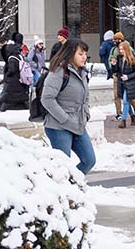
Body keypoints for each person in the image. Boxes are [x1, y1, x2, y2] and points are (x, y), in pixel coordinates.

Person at [41, 39, 95, 175]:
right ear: (71, 54)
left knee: (89, 160)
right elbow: (47, 98)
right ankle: (61, 189)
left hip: (78, 123)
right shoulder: (59, 71)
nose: (84, 57)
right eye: (80, 54)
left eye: (85, 54)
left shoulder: (82, 72)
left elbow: (85, 97)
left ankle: (71, 184)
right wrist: (64, 119)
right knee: (63, 166)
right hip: (58, 126)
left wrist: (86, 114)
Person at [110, 40, 135, 128]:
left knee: (125, 101)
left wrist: (128, 76)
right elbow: (116, 71)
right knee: (126, 101)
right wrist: (114, 64)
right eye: (120, 49)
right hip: (122, 83)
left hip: (130, 83)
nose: (121, 51)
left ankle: (123, 120)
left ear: (126, 49)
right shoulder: (119, 58)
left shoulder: (132, 58)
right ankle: (132, 116)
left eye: (122, 49)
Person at [0, 39, 31, 111]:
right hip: (21, 80)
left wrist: (7, 75)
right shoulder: (19, 57)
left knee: (8, 96)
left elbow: (12, 70)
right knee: (21, 96)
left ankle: (1, 109)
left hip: (13, 81)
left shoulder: (11, 59)